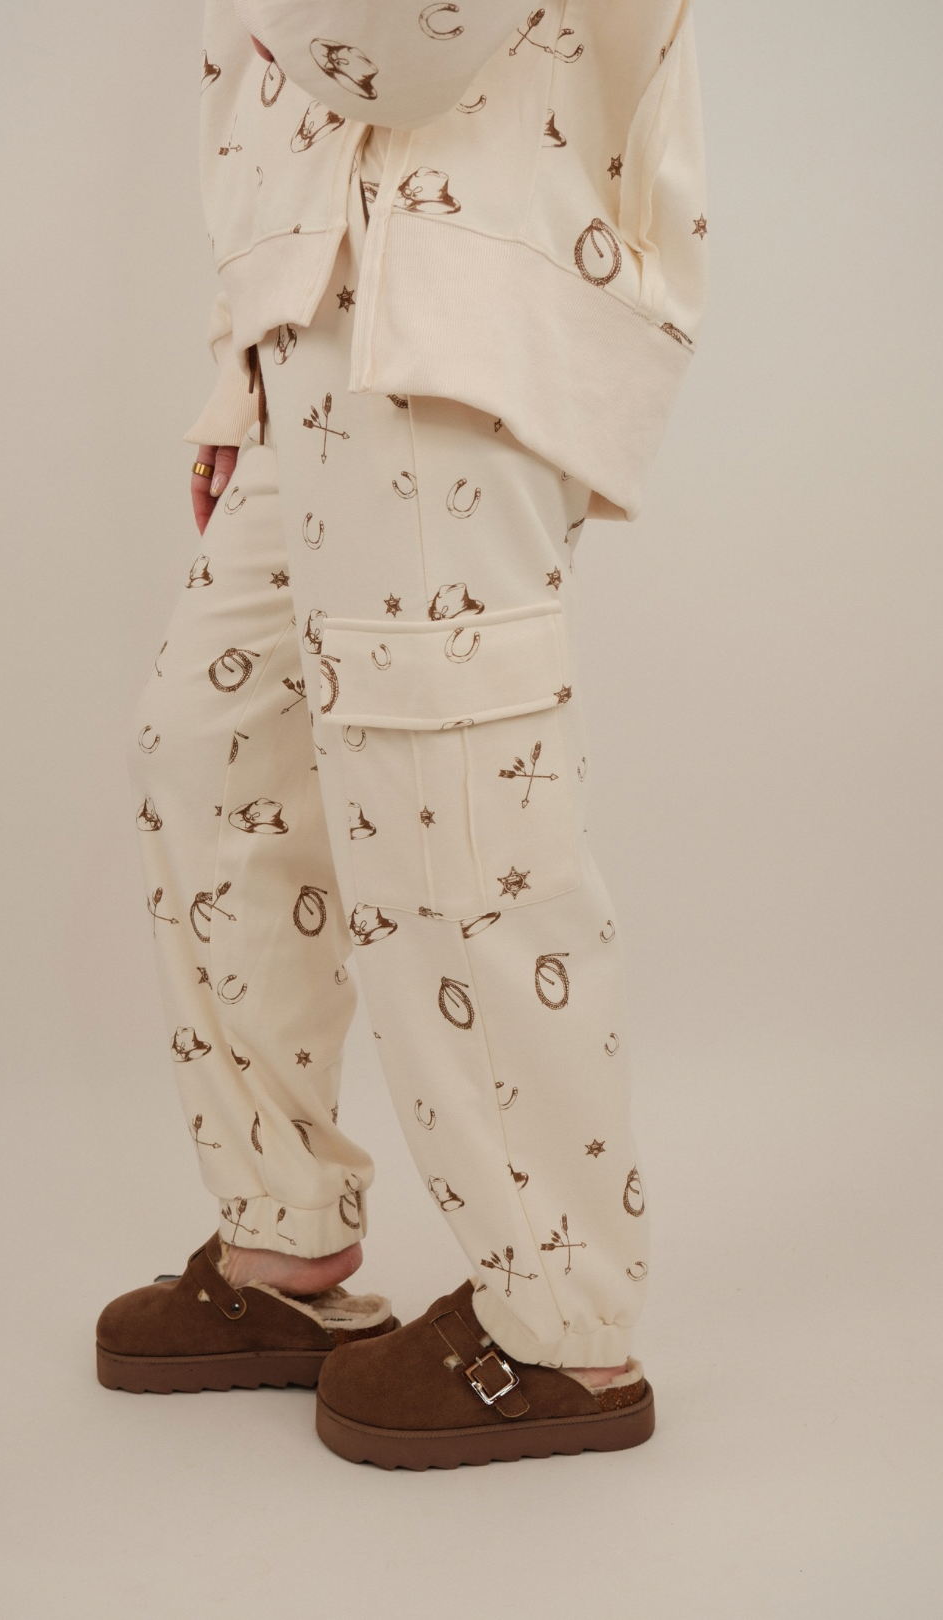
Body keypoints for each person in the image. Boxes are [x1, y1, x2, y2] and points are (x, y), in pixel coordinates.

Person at [96, 0, 707, 1470]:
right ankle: (285, 1240)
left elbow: (407, 43)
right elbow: (273, 106)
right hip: (319, 328)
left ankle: (563, 1328)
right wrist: (245, 356)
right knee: (209, 750)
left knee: (453, 820)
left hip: (454, 323)